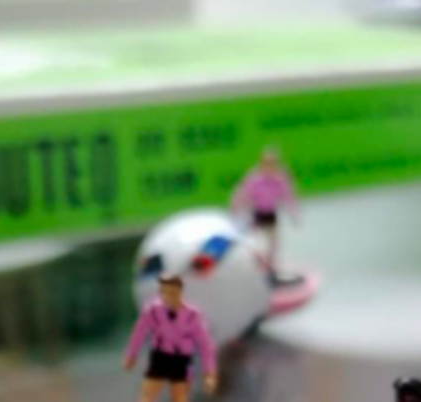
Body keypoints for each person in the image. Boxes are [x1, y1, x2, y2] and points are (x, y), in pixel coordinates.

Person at [123, 274, 217, 402]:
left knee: (179, 396)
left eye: (172, 292)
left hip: (181, 360)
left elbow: (205, 345)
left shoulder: (192, 315)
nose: (168, 296)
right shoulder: (152, 310)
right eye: (164, 291)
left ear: (179, 292)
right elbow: (139, 333)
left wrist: (209, 372)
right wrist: (131, 354)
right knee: (146, 395)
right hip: (159, 356)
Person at [231, 147, 301, 288]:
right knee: (257, 244)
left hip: (271, 215)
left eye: (273, 163)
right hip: (257, 215)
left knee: (274, 244)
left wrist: (294, 213)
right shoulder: (254, 178)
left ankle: (271, 269)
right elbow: (243, 193)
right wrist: (236, 209)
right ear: (262, 163)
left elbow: (288, 195)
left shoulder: (280, 179)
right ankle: (256, 270)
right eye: (267, 163)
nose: (270, 166)